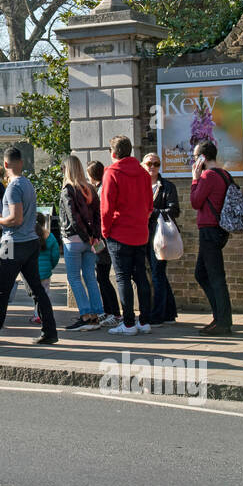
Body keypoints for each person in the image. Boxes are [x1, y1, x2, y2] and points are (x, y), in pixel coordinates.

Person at [0, 146, 58, 345]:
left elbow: (16, 219)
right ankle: (50, 331)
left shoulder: (14, 187)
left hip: (13, 243)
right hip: (30, 242)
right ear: (22, 163)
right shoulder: (28, 184)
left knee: (0, 290)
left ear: (6, 164)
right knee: (37, 289)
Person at [101, 136, 154, 336]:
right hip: (140, 233)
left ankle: (129, 323)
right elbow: (150, 206)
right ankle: (145, 321)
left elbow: (106, 208)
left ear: (113, 153)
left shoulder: (111, 173)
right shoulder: (143, 174)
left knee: (122, 278)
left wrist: (105, 231)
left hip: (119, 233)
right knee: (141, 276)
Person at [190, 140, 235, 336]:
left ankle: (223, 321)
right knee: (201, 273)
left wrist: (195, 179)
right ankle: (219, 316)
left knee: (216, 277)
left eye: (195, 157)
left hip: (209, 229)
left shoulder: (207, 176)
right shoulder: (225, 174)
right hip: (219, 229)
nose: (194, 161)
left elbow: (195, 201)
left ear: (202, 158)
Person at [58, 155, 107, 330]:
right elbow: (96, 216)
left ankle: (85, 316)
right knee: (89, 277)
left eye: (63, 168)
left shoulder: (67, 190)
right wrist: (93, 236)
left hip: (74, 239)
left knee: (74, 278)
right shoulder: (90, 189)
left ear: (67, 169)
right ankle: (96, 315)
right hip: (91, 241)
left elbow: (72, 217)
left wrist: (84, 235)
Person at [142, 152, 179, 326]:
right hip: (143, 235)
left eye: (156, 164)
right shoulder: (140, 185)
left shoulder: (167, 187)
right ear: (143, 165)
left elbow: (174, 210)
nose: (152, 167)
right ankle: (169, 313)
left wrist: (154, 212)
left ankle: (157, 315)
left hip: (161, 236)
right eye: (149, 163)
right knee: (158, 273)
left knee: (157, 273)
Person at [86, 160, 121, 322]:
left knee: (103, 276)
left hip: (102, 240)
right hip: (102, 239)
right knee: (102, 276)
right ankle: (109, 311)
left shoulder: (99, 191)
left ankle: (114, 312)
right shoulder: (100, 189)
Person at [28, 213, 61, 326]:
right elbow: (56, 255)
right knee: (45, 294)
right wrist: (51, 266)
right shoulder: (50, 236)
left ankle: (37, 315)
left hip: (32, 270)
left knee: (36, 294)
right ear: (44, 222)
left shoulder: (29, 236)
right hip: (46, 271)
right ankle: (44, 314)